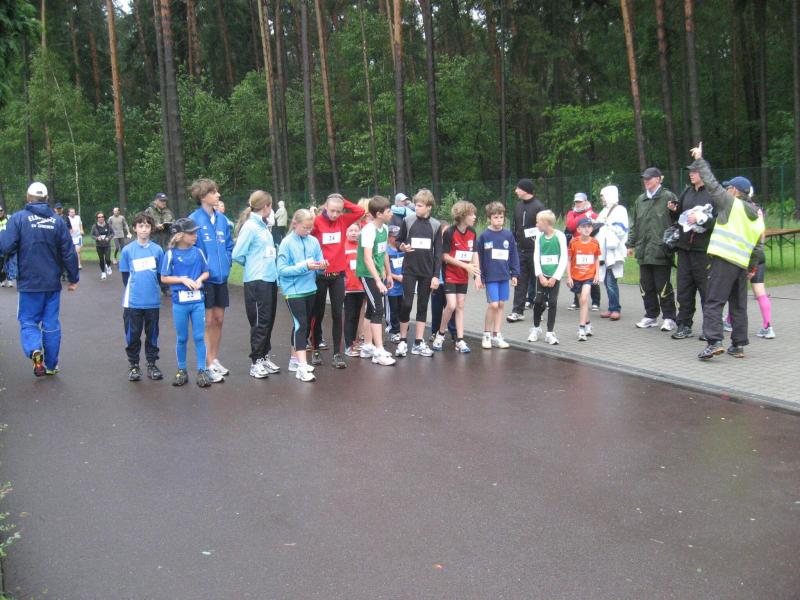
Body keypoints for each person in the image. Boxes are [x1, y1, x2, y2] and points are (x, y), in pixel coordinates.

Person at [689, 144, 765, 360]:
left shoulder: (732, 204)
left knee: (713, 301)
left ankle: (714, 342)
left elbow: (711, 184)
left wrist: (700, 160)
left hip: (723, 260)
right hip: (741, 265)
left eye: (729, 187)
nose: (726, 190)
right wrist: (751, 268)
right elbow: (758, 247)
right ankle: (738, 345)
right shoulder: (757, 216)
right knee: (738, 305)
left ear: (735, 191)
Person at [0, 182, 79, 376]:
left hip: (29, 282)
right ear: (46, 199)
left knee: (28, 321)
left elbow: (6, 246)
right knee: (51, 324)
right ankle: (51, 365)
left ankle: (34, 349)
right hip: (52, 282)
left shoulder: (18, 218)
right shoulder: (57, 221)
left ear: (28, 198)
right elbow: (68, 252)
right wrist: (73, 278)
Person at [309, 193, 365, 369]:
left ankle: (337, 354)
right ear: (325, 207)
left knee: (337, 314)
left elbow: (360, 211)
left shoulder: (343, 220)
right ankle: (315, 349)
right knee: (317, 313)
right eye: (332, 210)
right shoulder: (317, 221)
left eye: (338, 211)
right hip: (320, 275)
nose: (335, 214)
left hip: (338, 276)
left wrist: (342, 200)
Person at [232, 190, 282, 379]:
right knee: (260, 322)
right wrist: (253, 264)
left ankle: (264, 355)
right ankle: (256, 361)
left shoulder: (264, 225)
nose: (272, 208)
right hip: (256, 280)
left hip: (270, 279)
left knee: (268, 320)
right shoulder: (250, 226)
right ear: (266, 206)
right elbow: (237, 254)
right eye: (271, 205)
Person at [188, 179, 234, 382]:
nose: (218, 195)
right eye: (214, 192)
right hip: (205, 279)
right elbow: (191, 249)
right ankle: (206, 364)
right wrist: (202, 272)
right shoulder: (193, 220)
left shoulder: (222, 219)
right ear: (203, 196)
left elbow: (229, 245)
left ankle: (214, 359)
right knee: (207, 321)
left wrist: (227, 261)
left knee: (219, 320)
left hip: (221, 278)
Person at [160, 218, 213, 387]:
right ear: (180, 235)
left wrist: (199, 280)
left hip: (197, 302)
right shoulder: (170, 254)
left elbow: (206, 272)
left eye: (195, 232)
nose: (195, 235)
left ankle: (202, 370)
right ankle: (182, 370)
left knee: (199, 337)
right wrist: (182, 279)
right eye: (191, 233)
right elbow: (164, 277)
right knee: (182, 337)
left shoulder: (198, 252)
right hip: (179, 302)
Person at [277, 209, 327, 382]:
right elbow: (282, 270)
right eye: (305, 227)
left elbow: (319, 263)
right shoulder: (286, 243)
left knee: (301, 325)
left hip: (310, 289)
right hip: (293, 291)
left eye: (310, 227)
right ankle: (302, 366)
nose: (308, 231)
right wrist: (305, 266)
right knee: (301, 324)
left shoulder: (313, 241)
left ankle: (294, 360)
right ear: (295, 224)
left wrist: (322, 266)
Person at [627, 166, 678, 332]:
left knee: (663, 286)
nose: (646, 181)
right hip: (643, 250)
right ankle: (650, 315)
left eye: (649, 178)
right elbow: (635, 224)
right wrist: (630, 244)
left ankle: (670, 317)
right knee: (645, 286)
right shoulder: (640, 200)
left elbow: (678, 220)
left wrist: (672, 243)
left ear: (658, 179)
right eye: (644, 178)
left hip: (661, 250)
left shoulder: (668, 197)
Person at [669, 165, 715, 340]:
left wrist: (702, 219)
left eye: (694, 171)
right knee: (684, 290)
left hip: (704, 251)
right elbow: (678, 216)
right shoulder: (687, 192)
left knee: (706, 291)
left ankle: (709, 328)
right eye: (690, 171)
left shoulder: (713, 193)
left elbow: (720, 221)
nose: (691, 174)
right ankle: (684, 325)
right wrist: (673, 210)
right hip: (684, 249)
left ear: (704, 173)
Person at [395, 189, 442, 358]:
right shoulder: (408, 220)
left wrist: (436, 275)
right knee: (407, 303)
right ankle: (402, 340)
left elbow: (438, 253)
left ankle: (418, 342)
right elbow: (398, 241)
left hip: (427, 272)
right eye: (415, 205)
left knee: (422, 305)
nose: (416, 208)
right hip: (409, 270)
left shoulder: (435, 225)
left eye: (420, 205)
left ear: (429, 207)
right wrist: (402, 247)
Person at [119, 212, 164, 382]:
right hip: (133, 302)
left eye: (147, 226)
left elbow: (160, 275)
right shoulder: (127, 250)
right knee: (133, 335)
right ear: (135, 228)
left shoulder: (157, 250)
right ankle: (134, 365)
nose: (144, 229)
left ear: (151, 229)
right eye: (140, 226)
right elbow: (125, 277)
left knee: (152, 335)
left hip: (152, 302)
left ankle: (151, 364)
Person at [433, 201, 480, 353]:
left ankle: (460, 339)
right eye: (471, 214)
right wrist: (465, 266)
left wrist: (477, 276)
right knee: (451, 305)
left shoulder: (472, 232)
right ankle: (440, 334)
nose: (474, 217)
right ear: (462, 216)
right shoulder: (449, 232)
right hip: (450, 274)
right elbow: (445, 256)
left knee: (460, 306)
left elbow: (474, 254)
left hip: (463, 276)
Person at [355, 195, 396, 366]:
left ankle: (366, 346)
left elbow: (384, 252)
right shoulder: (368, 230)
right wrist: (377, 281)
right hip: (367, 274)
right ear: (379, 214)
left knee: (372, 309)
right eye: (388, 211)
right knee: (378, 309)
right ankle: (378, 350)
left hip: (378, 274)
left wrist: (389, 274)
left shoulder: (384, 228)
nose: (391, 213)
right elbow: (367, 258)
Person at [476, 201, 520, 349]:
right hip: (490, 277)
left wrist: (515, 274)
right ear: (489, 218)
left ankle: (497, 335)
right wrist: (479, 277)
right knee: (493, 305)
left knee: (501, 305)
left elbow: (513, 255)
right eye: (495, 217)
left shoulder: (508, 235)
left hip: (504, 276)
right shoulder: (484, 236)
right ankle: (486, 334)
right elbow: (478, 258)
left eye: (501, 217)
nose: (499, 220)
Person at [507, 178, 545, 322]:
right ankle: (517, 311)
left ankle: (539, 310)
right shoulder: (518, 206)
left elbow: (544, 227)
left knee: (539, 281)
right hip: (520, 250)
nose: (516, 191)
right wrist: (513, 242)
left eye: (518, 188)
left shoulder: (539, 206)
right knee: (520, 280)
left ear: (525, 190)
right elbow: (514, 226)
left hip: (535, 250)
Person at [529, 209, 568, 345]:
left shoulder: (560, 236)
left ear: (546, 223)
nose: (536, 225)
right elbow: (536, 257)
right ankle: (535, 328)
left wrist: (555, 277)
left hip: (554, 277)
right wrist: (540, 275)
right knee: (538, 301)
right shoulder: (539, 237)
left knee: (552, 303)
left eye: (538, 222)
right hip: (542, 275)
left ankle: (550, 333)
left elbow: (563, 258)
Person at [595, 185, 629, 321]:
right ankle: (611, 307)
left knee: (611, 280)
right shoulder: (604, 210)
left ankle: (615, 309)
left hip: (613, 252)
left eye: (602, 196)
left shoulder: (620, 210)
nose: (601, 199)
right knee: (607, 280)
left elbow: (621, 230)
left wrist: (605, 225)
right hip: (603, 251)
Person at [564, 192, 601, 311]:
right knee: (577, 273)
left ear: (585, 201)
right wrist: (585, 215)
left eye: (580, 201)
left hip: (590, 246)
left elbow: (598, 224)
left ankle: (596, 301)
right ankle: (577, 301)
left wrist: (586, 216)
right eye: (576, 201)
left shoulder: (593, 214)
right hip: (576, 245)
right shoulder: (571, 213)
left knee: (591, 272)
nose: (578, 203)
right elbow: (571, 226)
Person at [566, 217, 601, 341]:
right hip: (576, 276)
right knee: (582, 302)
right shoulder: (573, 242)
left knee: (584, 298)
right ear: (578, 229)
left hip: (589, 276)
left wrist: (597, 274)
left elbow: (597, 258)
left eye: (589, 227)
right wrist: (569, 276)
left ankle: (581, 329)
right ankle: (588, 324)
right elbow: (569, 260)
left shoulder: (595, 242)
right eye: (584, 227)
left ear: (592, 229)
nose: (587, 229)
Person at [144, 192, 174, 295]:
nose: (164, 202)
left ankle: (165, 288)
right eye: (161, 201)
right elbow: (144, 226)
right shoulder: (149, 211)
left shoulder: (168, 212)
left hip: (166, 242)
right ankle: (152, 287)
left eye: (165, 201)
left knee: (165, 265)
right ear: (156, 200)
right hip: (153, 242)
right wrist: (155, 227)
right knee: (152, 265)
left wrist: (171, 226)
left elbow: (173, 223)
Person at [343, 223, 366, 356]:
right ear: (346, 233)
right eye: (350, 230)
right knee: (350, 316)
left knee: (357, 316)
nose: (353, 233)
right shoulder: (343, 247)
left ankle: (354, 341)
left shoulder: (362, 247)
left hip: (361, 287)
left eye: (356, 230)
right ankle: (348, 345)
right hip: (348, 289)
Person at [385, 225, 404, 343]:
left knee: (402, 308)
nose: (397, 238)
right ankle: (393, 330)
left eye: (398, 236)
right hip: (391, 286)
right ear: (389, 237)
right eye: (394, 236)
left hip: (402, 286)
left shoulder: (402, 249)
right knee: (392, 309)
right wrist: (396, 277)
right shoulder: (386, 251)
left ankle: (401, 329)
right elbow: (384, 270)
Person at [91, 211, 114, 280]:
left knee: (107, 259)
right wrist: (97, 238)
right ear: (97, 218)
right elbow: (92, 235)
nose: (101, 218)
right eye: (99, 217)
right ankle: (103, 273)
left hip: (107, 245)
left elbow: (112, 233)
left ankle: (108, 266)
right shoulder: (95, 226)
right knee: (101, 260)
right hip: (99, 245)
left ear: (104, 217)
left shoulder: (108, 225)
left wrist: (108, 238)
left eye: (102, 217)